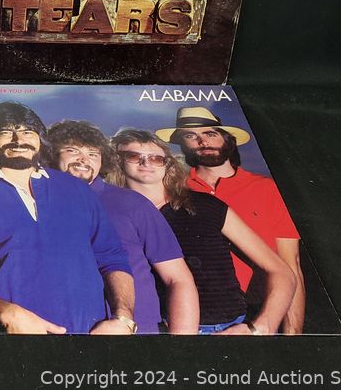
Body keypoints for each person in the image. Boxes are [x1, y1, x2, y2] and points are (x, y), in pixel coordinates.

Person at [0, 102, 136, 335]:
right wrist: (6, 312)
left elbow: (112, 258)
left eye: (28, 132)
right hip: (11, 343)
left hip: (90, 339)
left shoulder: (77, 189)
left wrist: (124, 319)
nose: (19, 140)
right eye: (6, 132)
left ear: (40, 139)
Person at [108, 128, 295, 335]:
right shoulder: (111, 214)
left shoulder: (206, 205)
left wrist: (260, 327)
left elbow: (281, 271)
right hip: (156, 329)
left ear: (168, 164)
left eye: (156, 158)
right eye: (134, 156)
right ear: (117, 161)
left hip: (225, 328)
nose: (146, 163)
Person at [156, 107, 305, 334]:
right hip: (195, 317)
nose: (203, 141)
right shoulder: (173, 192)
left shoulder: (267, 189)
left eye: (211, 133)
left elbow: (290, 263)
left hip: (260, 314)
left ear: (228, 139)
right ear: (181, 144)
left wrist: (292, 335)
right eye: (190, 135)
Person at [47, 120, 199, 334]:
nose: (84, 159)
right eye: (72, 150)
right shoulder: (34, 204)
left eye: (93, 153)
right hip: (60, 332)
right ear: (51, 154)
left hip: (135, 333)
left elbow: (178, 279)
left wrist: (182, 347)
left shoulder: (133, 204)